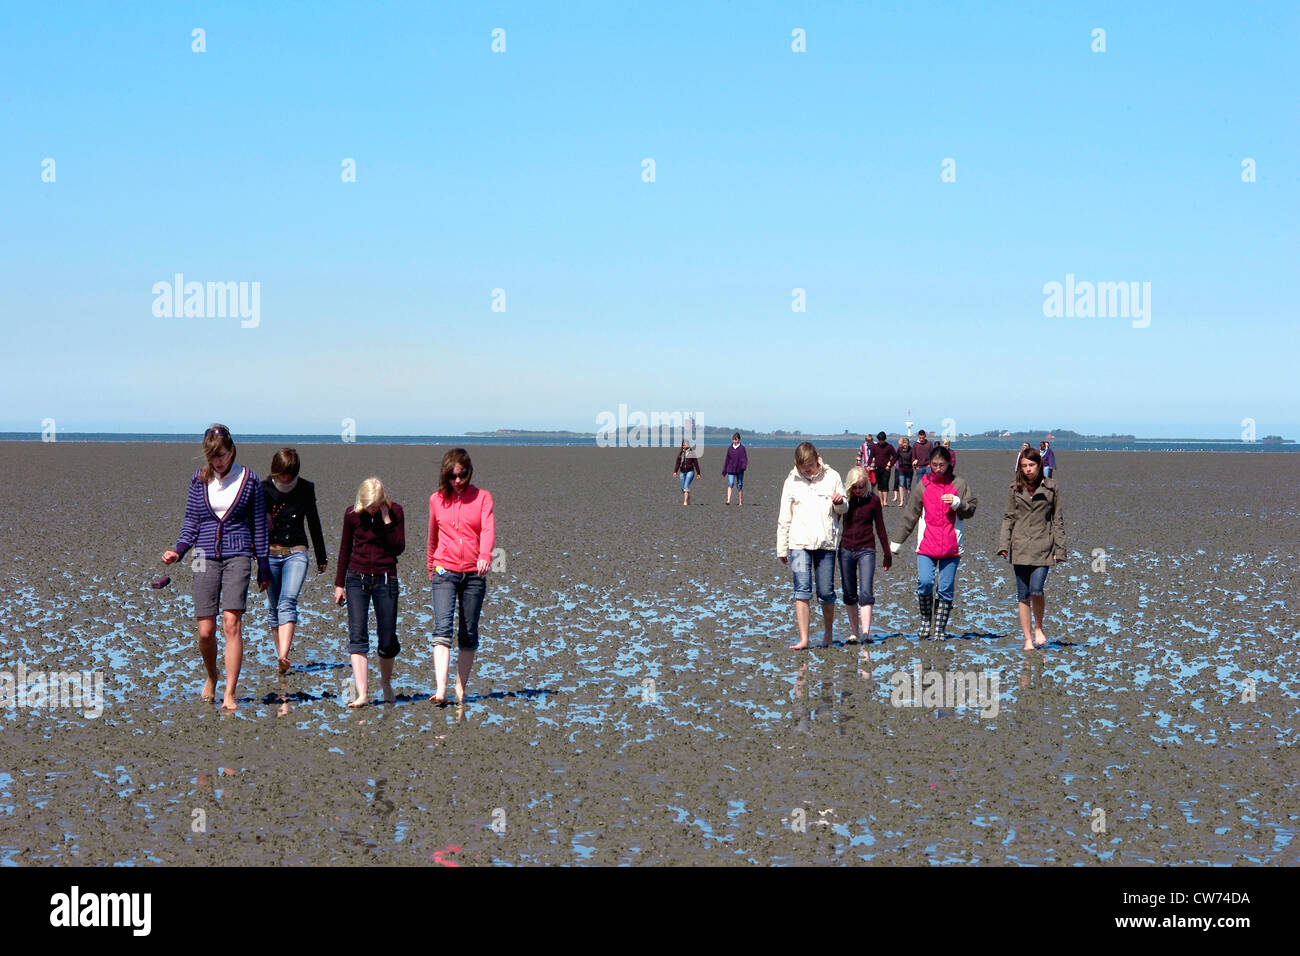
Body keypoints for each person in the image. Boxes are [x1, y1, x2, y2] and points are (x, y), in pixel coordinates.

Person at [161, 424, 269, 710]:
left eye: (221, 455)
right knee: (206, 631)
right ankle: (212, 676)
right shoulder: (199, 480)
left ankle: (230, 694)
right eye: (212, 456)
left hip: (240, 554)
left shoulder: (250, 480)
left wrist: (264, 568)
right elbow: (192, 523)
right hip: (203, 556)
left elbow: (259, 527)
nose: (217, 461)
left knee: (231, 623)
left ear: (231, 450)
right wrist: (178, 550)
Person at [426, 448, 496, 705]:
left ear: (469, 472)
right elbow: (432, 536)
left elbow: (488, 529)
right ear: (446, 475)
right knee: (442, 629)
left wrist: (485, 555)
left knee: (468, 632)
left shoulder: (483, 498)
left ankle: (460, 687)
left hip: (474, 575)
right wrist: (431, 567)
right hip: (444, 571)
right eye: (453, 476)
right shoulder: (436, 500)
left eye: (462, 475)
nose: (458, 481)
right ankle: (441, 689)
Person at [889, 445, 977, 640]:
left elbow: (970, 509)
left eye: (942, 465)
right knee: (925, 583)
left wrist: (957, 503)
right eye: (934, 465)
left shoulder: (960, 484)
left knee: (945, 588)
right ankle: (925, 622)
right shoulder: (923, 485)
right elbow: (910, 515)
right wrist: (896, 542)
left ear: (949, 464)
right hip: (927, 545)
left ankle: (939, 629)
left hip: (952, 546)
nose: (937, 469)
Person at [334, 478, 405, 707]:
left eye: (375, 505)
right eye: (368, 505)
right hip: (357, 579)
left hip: (386, 578)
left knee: (387, 639)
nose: (371, 509)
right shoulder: (352, 514)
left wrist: (385, 521)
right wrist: (339, 584)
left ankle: (385, 682)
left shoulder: (395, 512)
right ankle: (362, 694)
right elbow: (345, 548)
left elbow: (398, 547)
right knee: (357, 637)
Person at [262, 448, 328, 674]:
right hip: (269, 553)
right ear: (276, 470)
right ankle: (281, 658)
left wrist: (321, 556)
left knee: (287, 601)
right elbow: (256, 525)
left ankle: (284, 655)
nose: (286, 478)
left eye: (290, 473)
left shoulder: (306, 488)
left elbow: (314, 522)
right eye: (283, 473)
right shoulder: (264, 488)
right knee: (273, 607)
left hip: (297, 552)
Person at [776, 442, 848, 650]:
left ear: (818, 459)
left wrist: (839, 502)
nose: (807, 470)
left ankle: (828, 633)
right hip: (798, 544)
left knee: (826, 592)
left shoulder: (832, 476)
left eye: (810, 466)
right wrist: (782, 548)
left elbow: (844, 508)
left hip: (825, 543)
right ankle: (804, 638)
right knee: (802, 590)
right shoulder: (791, 481)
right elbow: (784, 517)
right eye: (803, 467)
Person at [998, 448, 1065, 651]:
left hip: (1043, 546)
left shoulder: (1052, 488)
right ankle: (1028, 639)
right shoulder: (1014, 489)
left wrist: (1060, 550)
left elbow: (1058, 520)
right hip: (1019, 546)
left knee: (1036, 589)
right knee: (1023, 594)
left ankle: (1038, 627)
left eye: (1032, 465)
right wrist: (1003, 545)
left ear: (1039, 465)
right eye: (1024, 466)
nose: (1028, 469)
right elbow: (1008, 517)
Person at [838, 466, 891, 659]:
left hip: (866, 549)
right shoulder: (844, 502)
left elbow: (881, 528)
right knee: (849, 592)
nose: (859, 489)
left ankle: (866, 632)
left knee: (866, 592)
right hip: (845, 549)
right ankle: (854, 632)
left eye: (861, 486)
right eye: (855, 487)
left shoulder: (874, 501)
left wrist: (887, 554)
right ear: (850, 486)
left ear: (866, 484)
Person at [673, 439, 701, 506]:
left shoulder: (692, 453)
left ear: (688, 445)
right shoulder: (681, 453)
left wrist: (698, 473)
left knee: (686, 486)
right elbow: (677, 463)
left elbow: (696, 463)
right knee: (683, 488)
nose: (684, 446)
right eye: (683, 445)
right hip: (682, 471)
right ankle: (688, 498)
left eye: (685, 444)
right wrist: (675, 472)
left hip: (690, 471)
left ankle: (685, 502)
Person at [722, 433, 748, 506]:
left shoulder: (742, 448)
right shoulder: (730, 448)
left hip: (739, 470)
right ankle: (728, 500)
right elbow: (727, 460)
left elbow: (745, 459)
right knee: (730, 483)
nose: (735, 441)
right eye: (733, 439)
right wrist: (724, 470)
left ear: (739, 439)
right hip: (731, 469)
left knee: (739, 485)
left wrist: (743, 466)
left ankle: (740, 502)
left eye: (736, 439)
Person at [872, 431, 897, 507]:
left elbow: (895, 456)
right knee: (880, 485)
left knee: (885, 484)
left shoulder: (889, 446)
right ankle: (881, 501)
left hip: (886, 468)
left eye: (882, 440)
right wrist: (869, 465)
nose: (881, 441)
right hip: (877, 468)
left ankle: (885, 501)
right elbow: (871, 456)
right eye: (880, 440)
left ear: (885, 439)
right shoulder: (875, 446)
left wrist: (890, 464)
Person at [894, 436, 913, 507]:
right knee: (901, 484)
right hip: (901, 469)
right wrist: (890, 464)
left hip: (909, 469)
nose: (905, 445)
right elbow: (895, 457)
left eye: (906, 443)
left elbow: (913, 457)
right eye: (904, 443)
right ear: (902, 444)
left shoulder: (911, 450)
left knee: (908, 486)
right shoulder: (899, 450)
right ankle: (901, 501)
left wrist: (915, 462)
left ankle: (907, 502)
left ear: (908, 444)